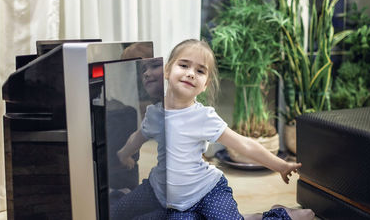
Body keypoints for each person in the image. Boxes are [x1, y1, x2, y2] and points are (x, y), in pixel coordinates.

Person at [117, 39, 314, 220]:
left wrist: (280, 165)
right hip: (161, 192)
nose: (191, 73)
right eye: (184, 65)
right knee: (116, 212)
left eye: (200, 71)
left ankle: (280, 214)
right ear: (167, 70)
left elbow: (243, 144)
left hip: (207, 191)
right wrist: (124, 154)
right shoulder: (154, 114)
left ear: (205, 85)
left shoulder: (203, 117)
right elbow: (138, 137)